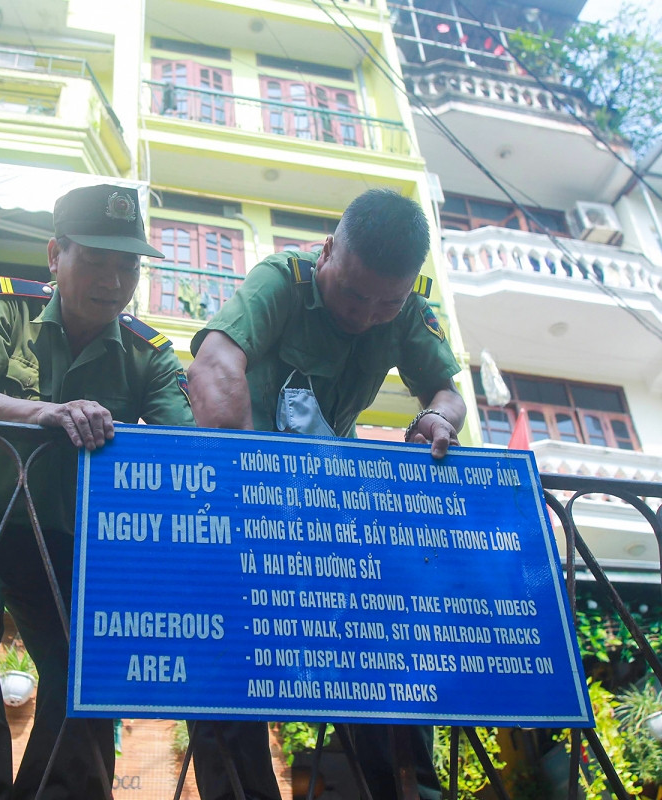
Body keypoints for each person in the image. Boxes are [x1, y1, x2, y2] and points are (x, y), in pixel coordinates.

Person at [0, 183, 194, 800]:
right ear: (54, 255)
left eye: (128, 264)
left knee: (85, 672)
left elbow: (186, 450)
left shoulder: (150, 355)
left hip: (58, 540)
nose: (113, 280)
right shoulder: (7, 307)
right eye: (95, 259)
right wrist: (44, 412)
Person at [186, 188, 466, 800]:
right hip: (239, 512)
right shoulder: (281, 282)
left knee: (380, 661)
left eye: (385, 302)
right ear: (328, 251)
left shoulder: (409, 310)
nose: (366, 314)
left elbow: (446, 392)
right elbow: (212, 367)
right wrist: (252, 480)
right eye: (353, 294)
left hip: (326, 520)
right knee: (229, 679)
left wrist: (441, 419)